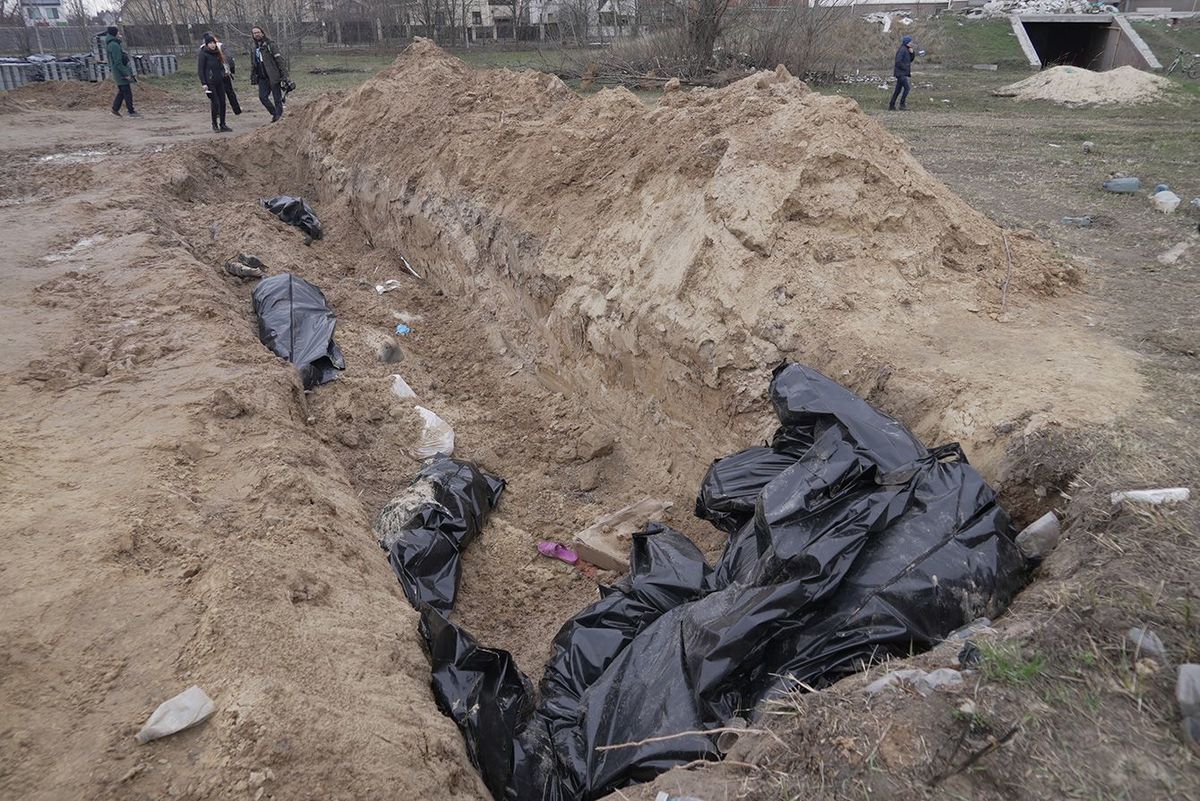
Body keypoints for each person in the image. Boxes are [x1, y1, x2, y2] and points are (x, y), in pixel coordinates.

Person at [249, 26, 290, 123]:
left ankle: (278, 118)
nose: (257, 34)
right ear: (253, 35)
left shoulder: (270, 45)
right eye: (254, 33)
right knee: (262, 97)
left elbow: (279, 60)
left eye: (258, 32)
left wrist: (285, 75)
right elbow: (253, 64)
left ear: (262, 33)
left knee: (277, 99)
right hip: (262, 77)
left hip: (273, 76)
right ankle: (275, 113)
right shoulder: (254, 48)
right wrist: (253, 75)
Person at [198, 33, 234, 132]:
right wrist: (204, 83)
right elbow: (200, 70)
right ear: (206, 44)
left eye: (214, 43)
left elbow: (222, 66)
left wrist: (225, 73)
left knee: (223, 103)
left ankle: (223, 124)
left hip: (220, 81)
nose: (213, 45)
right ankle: (214, 124)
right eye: (210, 43)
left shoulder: (218, 53)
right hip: (210, 83)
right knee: (215, 103)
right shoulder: (203, 54)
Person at [104, 25, 137, 117]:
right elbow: (118, 62)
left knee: (122, 92)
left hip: (117, 71)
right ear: (115, 33)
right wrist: (127, 74)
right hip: (120, 72)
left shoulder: (111, 44)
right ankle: (131, 112)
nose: (119, 34)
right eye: (118, 32)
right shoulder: (114, 45)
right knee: (127, 92)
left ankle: (115, 110)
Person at [889, 35, 917, 111]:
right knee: (907, 88)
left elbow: (910, 60)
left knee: (898, 90)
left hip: (902, 73)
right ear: (907, 42)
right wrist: (905, 68)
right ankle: (902, 105)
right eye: (910, 42)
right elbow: (898, 62)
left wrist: (912, 53)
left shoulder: (907, 49)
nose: (912, 43)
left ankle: (891, 105)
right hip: (901, 73)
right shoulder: (902, 50)